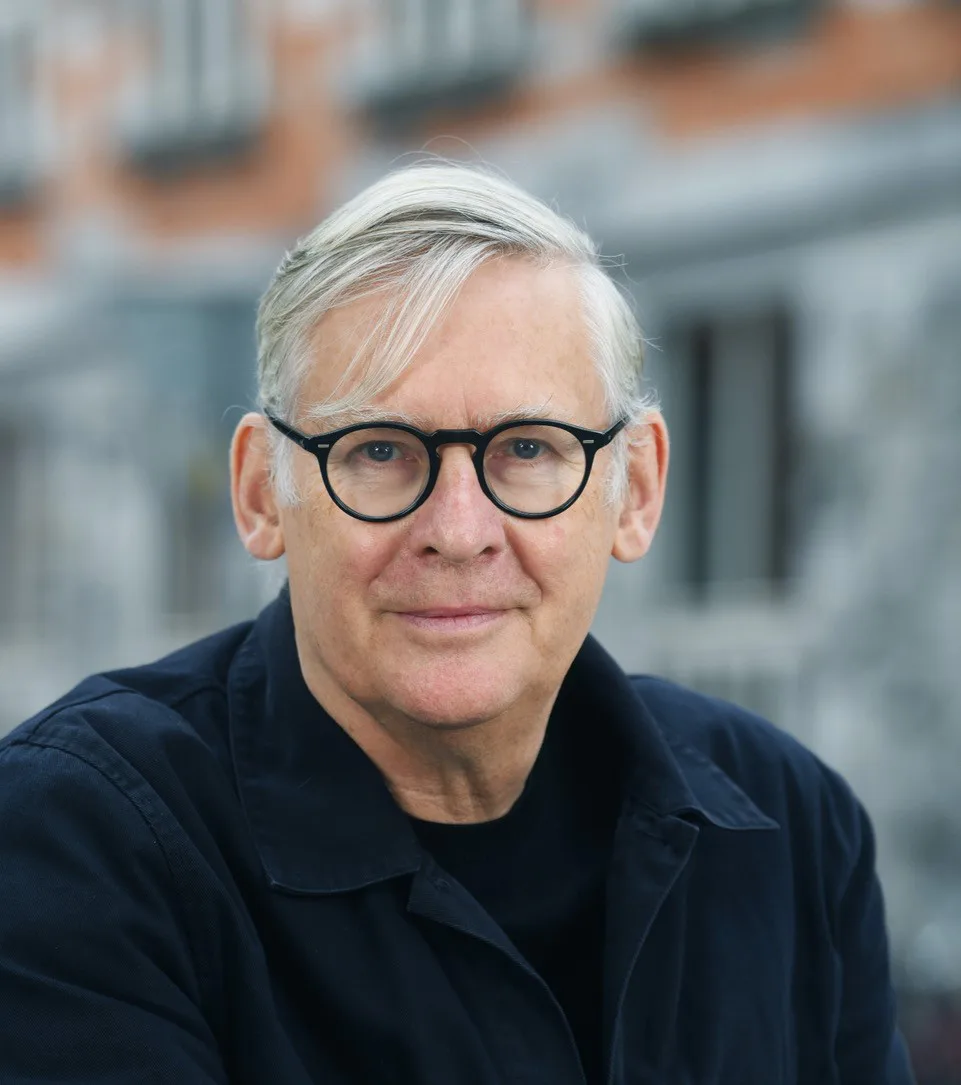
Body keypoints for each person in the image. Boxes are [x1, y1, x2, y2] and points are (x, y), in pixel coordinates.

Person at [0, 163, 914, 1085]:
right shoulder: (78, 842)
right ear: (260, 494)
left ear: (635, 490)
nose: (458, 530)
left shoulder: (790, 825)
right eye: (379, 450)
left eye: (527, 448)